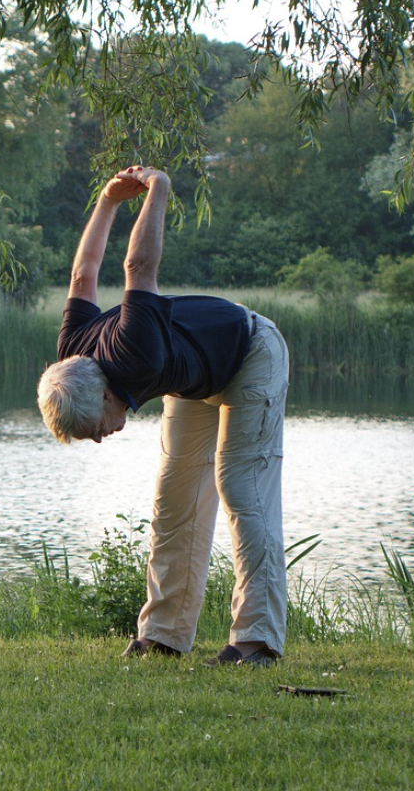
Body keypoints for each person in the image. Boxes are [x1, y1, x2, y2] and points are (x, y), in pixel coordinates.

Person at [36, 165, 290, 666]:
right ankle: (163, 634)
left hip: (251, 353)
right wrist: (107, 201)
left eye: (94, 431)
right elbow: (82, 275)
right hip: (194, 376)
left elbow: (138, 267)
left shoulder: (135, 353)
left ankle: (257, 641)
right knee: (174, 500)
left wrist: (159, 190)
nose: (102, 439)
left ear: (105, 396)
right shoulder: (72, 353)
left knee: (240, 487)